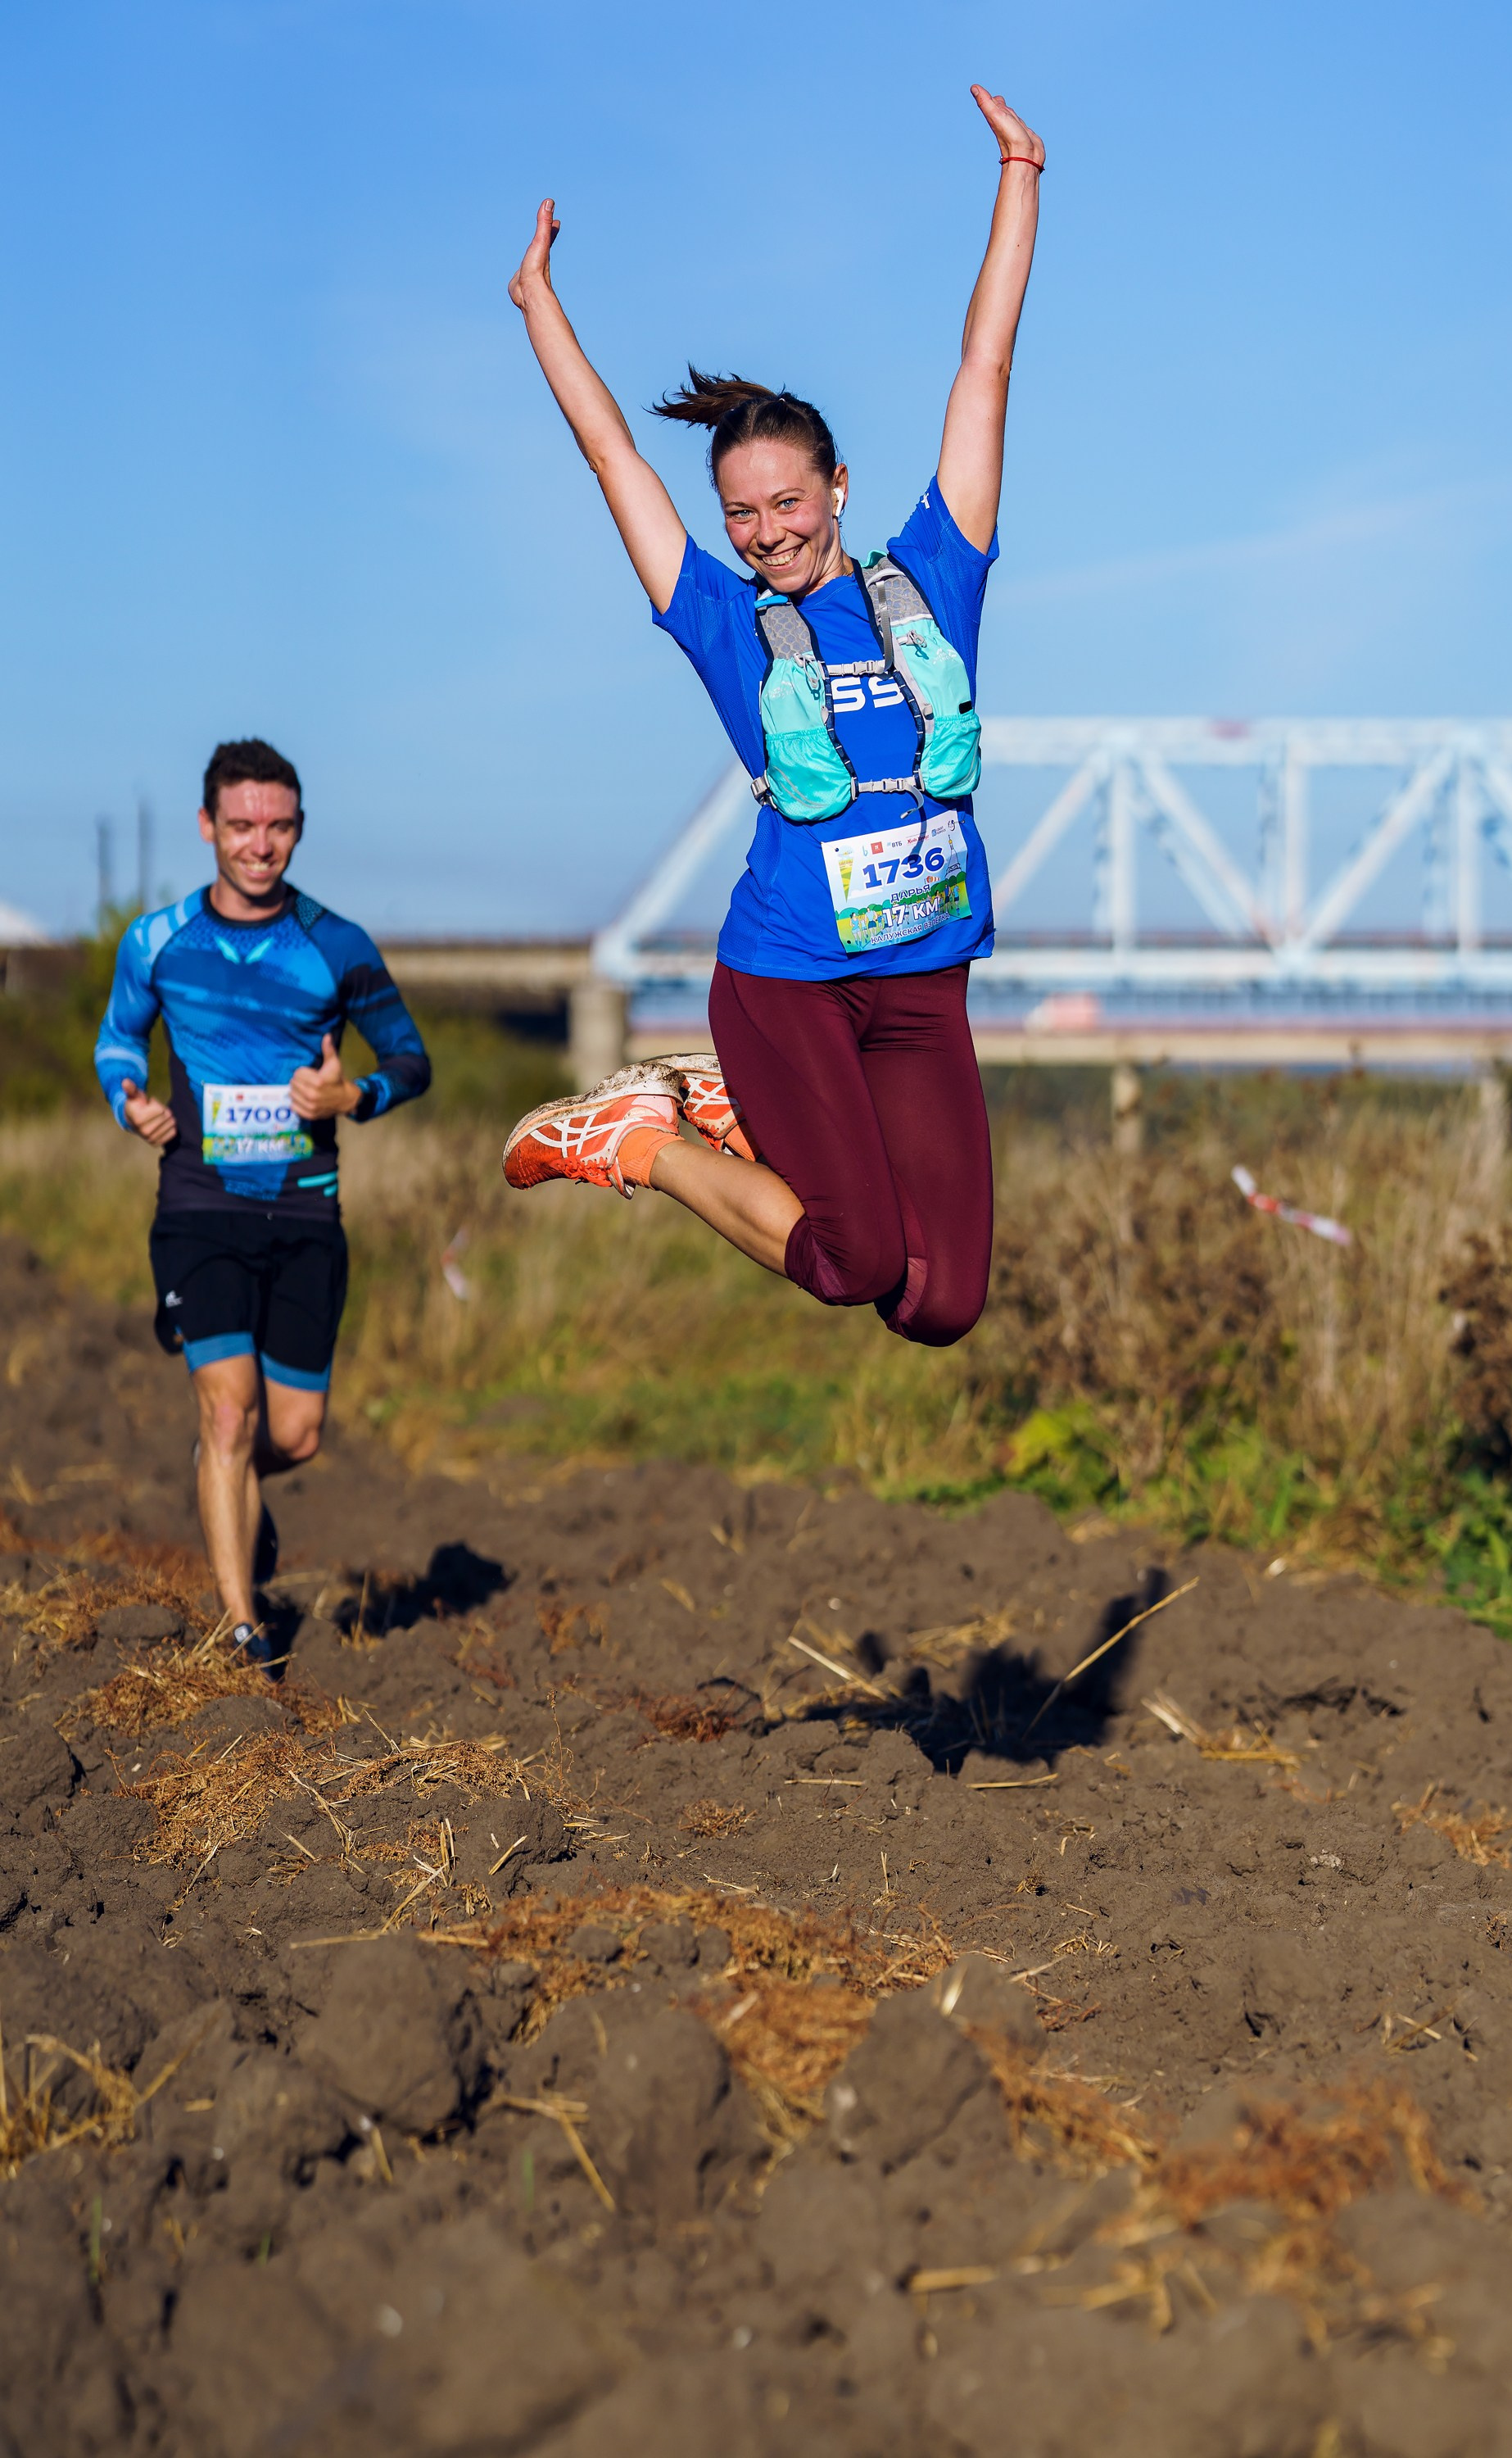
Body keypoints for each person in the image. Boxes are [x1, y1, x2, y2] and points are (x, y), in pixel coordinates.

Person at [501, 84, 1043, 1349]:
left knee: (941, 1303)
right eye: (741, 514)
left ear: (837, 486)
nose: (765, 534)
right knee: (852, 1261)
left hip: (922, 984)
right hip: (789, 979)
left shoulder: (936, 577)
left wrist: (1018, 175)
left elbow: (986, 366)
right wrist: (541, 309)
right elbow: (614, 462)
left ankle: (743, 1116)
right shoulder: (721, 619)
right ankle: (649, 1143)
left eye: (786, 504)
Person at [93, 737, 431, 1667]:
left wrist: (351, 1096)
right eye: (241, 825)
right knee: (228, 1412)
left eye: (277, 827)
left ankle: (225, 1482)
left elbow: (410, 1061)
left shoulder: (336, 945)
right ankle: (242, 1625)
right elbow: (117, 1041)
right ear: (208, 827)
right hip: (199, 1206)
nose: (259, 844)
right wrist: (130, 1100)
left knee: (293, 1432)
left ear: (298, 831)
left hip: (307, 1213)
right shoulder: (156, 942)